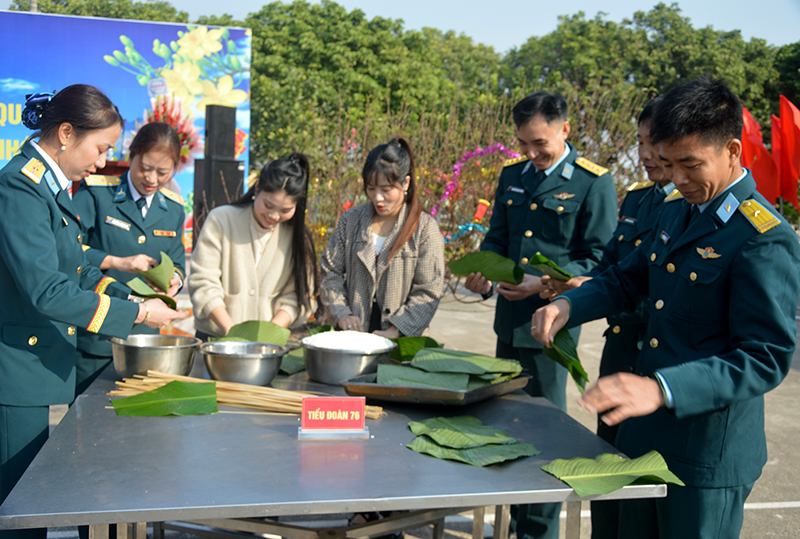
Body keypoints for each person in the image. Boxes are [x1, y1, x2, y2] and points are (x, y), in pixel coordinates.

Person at [531, 77, 800, 539]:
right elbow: (628, 277)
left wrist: (662, 388)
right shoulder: (676, 209)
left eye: (690, 165)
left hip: (704, 455)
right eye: (669, 163)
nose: (676, 178)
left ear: (733, 150)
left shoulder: (762, 236)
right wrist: (571, 305)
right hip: (642, 438)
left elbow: (765, 356)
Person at [0, 85, 187, 539]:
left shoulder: (48, 186)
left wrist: (137, 302)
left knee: (37, 506)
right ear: (66, 133)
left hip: (39, 366)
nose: (103, 161)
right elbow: (48, 291)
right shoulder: (20, 186)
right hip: (18, 368)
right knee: (20, 514)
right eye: (100, 147)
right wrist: (138, 317)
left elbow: (81, 268)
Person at [464, 91, 617, 539]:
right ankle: (511, 526)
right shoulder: (513, 176)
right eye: (523, 144)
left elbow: (601, 262)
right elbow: (498, 238)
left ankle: (537, 533)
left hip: (553, 329)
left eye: (540, 144)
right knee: (507, 429)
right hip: (509, 325)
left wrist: (544, 284)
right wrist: (484, 272)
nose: (531, 154)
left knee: (545, 439)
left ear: (565, 130)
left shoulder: (593, 182)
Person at [539, 97, 674, 539]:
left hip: (660, 371)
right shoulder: (639, 198)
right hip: (618, 363)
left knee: (644, 506)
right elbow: (614, 271)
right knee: (608, 499)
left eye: (654, 143)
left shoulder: (689, 206)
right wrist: (576, 292)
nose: (646, 154)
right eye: (640, 142)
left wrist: (594, 293)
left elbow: (660, 295)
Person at [72, 122, 186, 395]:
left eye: (163, 172)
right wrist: (117, 261)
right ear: (131, 155)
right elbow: (70, 252)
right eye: (145, 168)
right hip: (97, 335)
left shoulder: (173, 209)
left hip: (144, 341)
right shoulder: (98, 194)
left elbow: (178, 261)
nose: (152, 179)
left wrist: (174, 280)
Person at [320, 137, 445, 338]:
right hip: (353, 337)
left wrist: (397, 329)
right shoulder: (350, 221)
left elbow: (429, 289)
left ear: (405, 183)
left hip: (403, 343)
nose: (378, 197)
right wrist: (342, 313)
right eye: (371, 188)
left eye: (386, 190)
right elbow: (330, 272)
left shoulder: (424, 228)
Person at [189, 154, 317, 339]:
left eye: (285, 210)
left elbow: (297, 296)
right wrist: (233, 333)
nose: (274, 216)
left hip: (268, 346)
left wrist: (268, 335)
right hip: (216, 341)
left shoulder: (297, 237)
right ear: (257, 187)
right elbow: (203, 282)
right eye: (268, 205)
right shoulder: (222, 220)